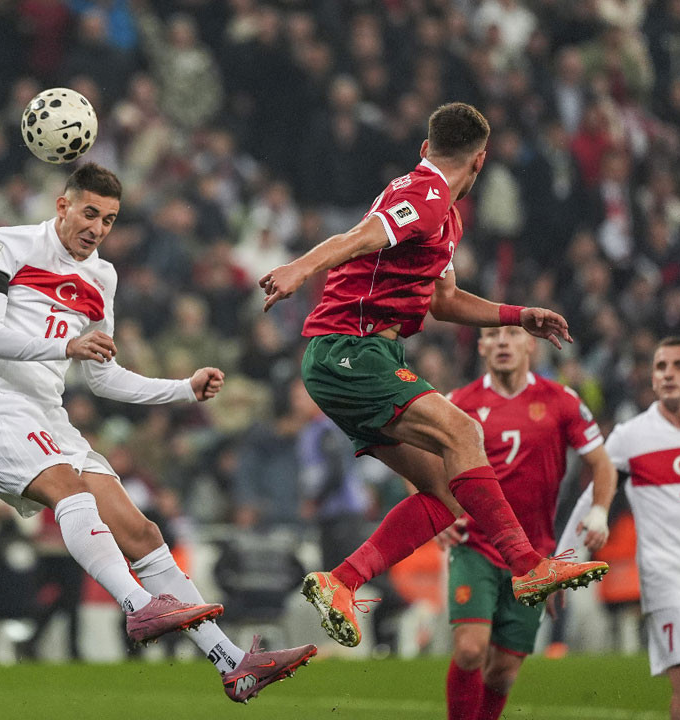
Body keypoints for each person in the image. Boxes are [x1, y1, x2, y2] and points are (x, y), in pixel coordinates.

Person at [0, 163, 317, 703]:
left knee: (140, 531)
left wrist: (183, 389)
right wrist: (64, 347)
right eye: (90, 213)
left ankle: (233, 663)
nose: (97, 228)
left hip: (47, 415)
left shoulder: (103, 278)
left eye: (110, 219)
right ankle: (137, 607)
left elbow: (103, 377)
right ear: (62, 206)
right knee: (72, 494)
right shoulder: (6, 244)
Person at [258, 102, 608, 648]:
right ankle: (527, 565)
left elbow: (443, 302)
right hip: (349, 349)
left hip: (363, 357)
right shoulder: (422, 194)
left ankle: (342, 581)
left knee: (447, 492)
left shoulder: (445, 215)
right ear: (481, 162)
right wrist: (299, 268)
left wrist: (519, 315)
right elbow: (361, 236)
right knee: (464, 432)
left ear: (427, 146)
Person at [561, 337, 680, 720]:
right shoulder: (632, 436)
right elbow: (592, 494)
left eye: (679, 366)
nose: (667, 374)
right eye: (661, 367)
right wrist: (563, 560)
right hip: (665, 577)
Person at [437, 325, 616, 720]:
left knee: (502, 672)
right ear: (481, 346)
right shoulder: (457, 403)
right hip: (476, 545)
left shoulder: (560, 400)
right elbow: (419, 457)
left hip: (533, 555)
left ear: (530, 346)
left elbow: (602, 464)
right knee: (470, 649)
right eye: (494, 335)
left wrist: (599, 510)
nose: (503, 341)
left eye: (513, 335)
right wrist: (437, 509)